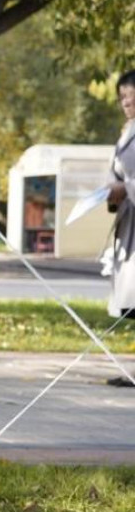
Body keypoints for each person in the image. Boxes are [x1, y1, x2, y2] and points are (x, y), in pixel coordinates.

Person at [105, 70, 135, 387]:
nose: (125, 101)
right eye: (122, 96)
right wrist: (112, 193)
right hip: (130, 225)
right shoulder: (127, 132)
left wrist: (126, 189)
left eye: (130, 94)